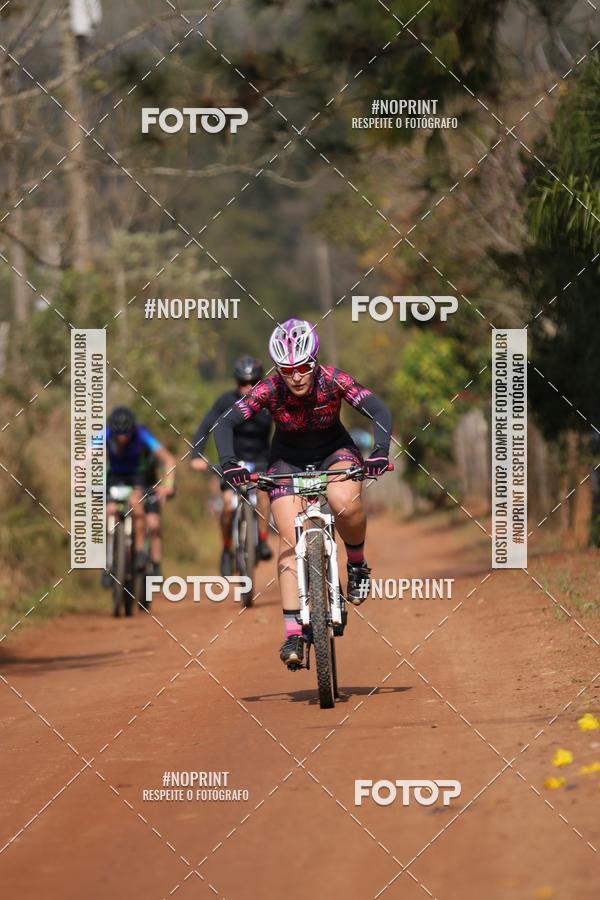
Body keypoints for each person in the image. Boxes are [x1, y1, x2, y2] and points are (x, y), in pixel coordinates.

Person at [213, 319, 392, 668]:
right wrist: (229, 463)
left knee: (344, 503)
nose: (296, 377)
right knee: (288, 538)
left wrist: (380, 453)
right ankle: (293, 632)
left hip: (335, 453)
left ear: (315, 361)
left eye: (303, 368)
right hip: (287, 461)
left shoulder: (333, 379)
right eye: (287, 370)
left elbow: (378, 409)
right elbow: (226, 423)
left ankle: (356, 564)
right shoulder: (269, 389)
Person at [190, 356, 273, 575]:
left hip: (261, 460)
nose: (248, 387)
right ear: (236, 382)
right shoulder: (225, 401)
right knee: (227, 505)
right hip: (232, 463)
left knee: (263, 496)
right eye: (243, 382)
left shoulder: (270, 401)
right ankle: (227, 549)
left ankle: (263, 539)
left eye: (253, 382)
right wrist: (196, 455)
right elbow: (205, 428)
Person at [102, 406, 176, 586]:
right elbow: (84, 457)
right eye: (118, 435)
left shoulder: (142, 434)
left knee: (145, 515)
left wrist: (168, 485)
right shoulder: (105, 434)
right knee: (105, 513)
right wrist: (78, 480)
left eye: (126, 435)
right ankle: (107, 562)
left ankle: (142, 553)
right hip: (115, 477)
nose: (121, 439)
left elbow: (168, 460)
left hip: (139, 477)